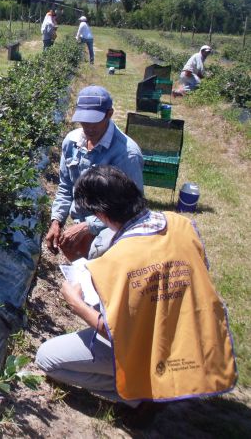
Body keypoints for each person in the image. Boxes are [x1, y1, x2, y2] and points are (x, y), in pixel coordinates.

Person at [36, 165, 236, 407]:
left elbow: (115, 332)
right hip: (196, 339)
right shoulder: (183, 225)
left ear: (102, 214)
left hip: (153, 346)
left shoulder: (118, 259)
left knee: (47, 358)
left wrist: (76, 303)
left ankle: (140, 393)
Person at [45, 85, 143, 261]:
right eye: (84, 120)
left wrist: (88, 226)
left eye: (94, 120)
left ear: (109, 114)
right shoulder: (71, 142)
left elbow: (132, 210)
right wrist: (57, 221)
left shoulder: (126, 154)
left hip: (112, 228)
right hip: (82, 222)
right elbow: (66, 186)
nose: (88, 127)